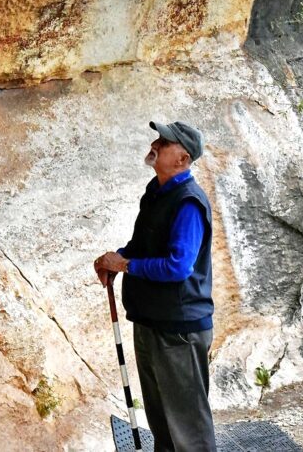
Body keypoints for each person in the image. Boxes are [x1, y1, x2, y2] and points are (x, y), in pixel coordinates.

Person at [93, 120, 217, 452]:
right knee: (162, 423)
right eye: (159, 138)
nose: (156, 144)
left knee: (189, 432)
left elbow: (178, 266)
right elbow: (142, 246)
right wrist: (115, 260)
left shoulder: (188, 202)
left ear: (183, 158)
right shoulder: (156, 192)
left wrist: (127, 265)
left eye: (165, 142)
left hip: (179, 330)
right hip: (150, 322)